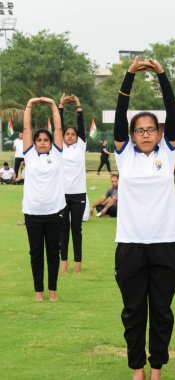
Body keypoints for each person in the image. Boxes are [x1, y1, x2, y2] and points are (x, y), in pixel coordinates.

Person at [113, 57, 175, 380]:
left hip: (165, 244)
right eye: (140, 130)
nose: (146, 134)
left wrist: (162, 76)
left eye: (151, 129)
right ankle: (137, 369)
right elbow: (118, 117)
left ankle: (157, 369)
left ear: (158, 132)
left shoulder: (168, 153)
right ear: (132, 135)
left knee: (163, 313)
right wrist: (129, 77)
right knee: (134, 312)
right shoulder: (124, 157)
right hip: (130, 245)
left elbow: (173, 111)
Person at [22, 97, 65, 302]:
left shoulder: (56, 154)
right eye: (38, 140)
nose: (41, 142)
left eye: (45, 140)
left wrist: (52, 105)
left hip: (55, 212)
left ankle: (53, 290)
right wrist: (30, 104)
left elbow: (58, 129)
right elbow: (26, 127)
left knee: (53, 253)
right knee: (36, 254)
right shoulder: (29, 155)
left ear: (51, 142)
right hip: (32, 213)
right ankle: (39, 291)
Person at [59, 94, 87, 273]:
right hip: (61, 194)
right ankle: (64, 263)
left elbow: (82, 126)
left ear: (77, 137)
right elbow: (58, 125)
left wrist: (78, 105)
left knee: (76, 229)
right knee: (63, 231)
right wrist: (60, 105)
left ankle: (77, 264)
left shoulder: (81, 145)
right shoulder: (59, 146)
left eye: (73, 134)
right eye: (67, 134)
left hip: (78, 194)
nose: (70, 136)